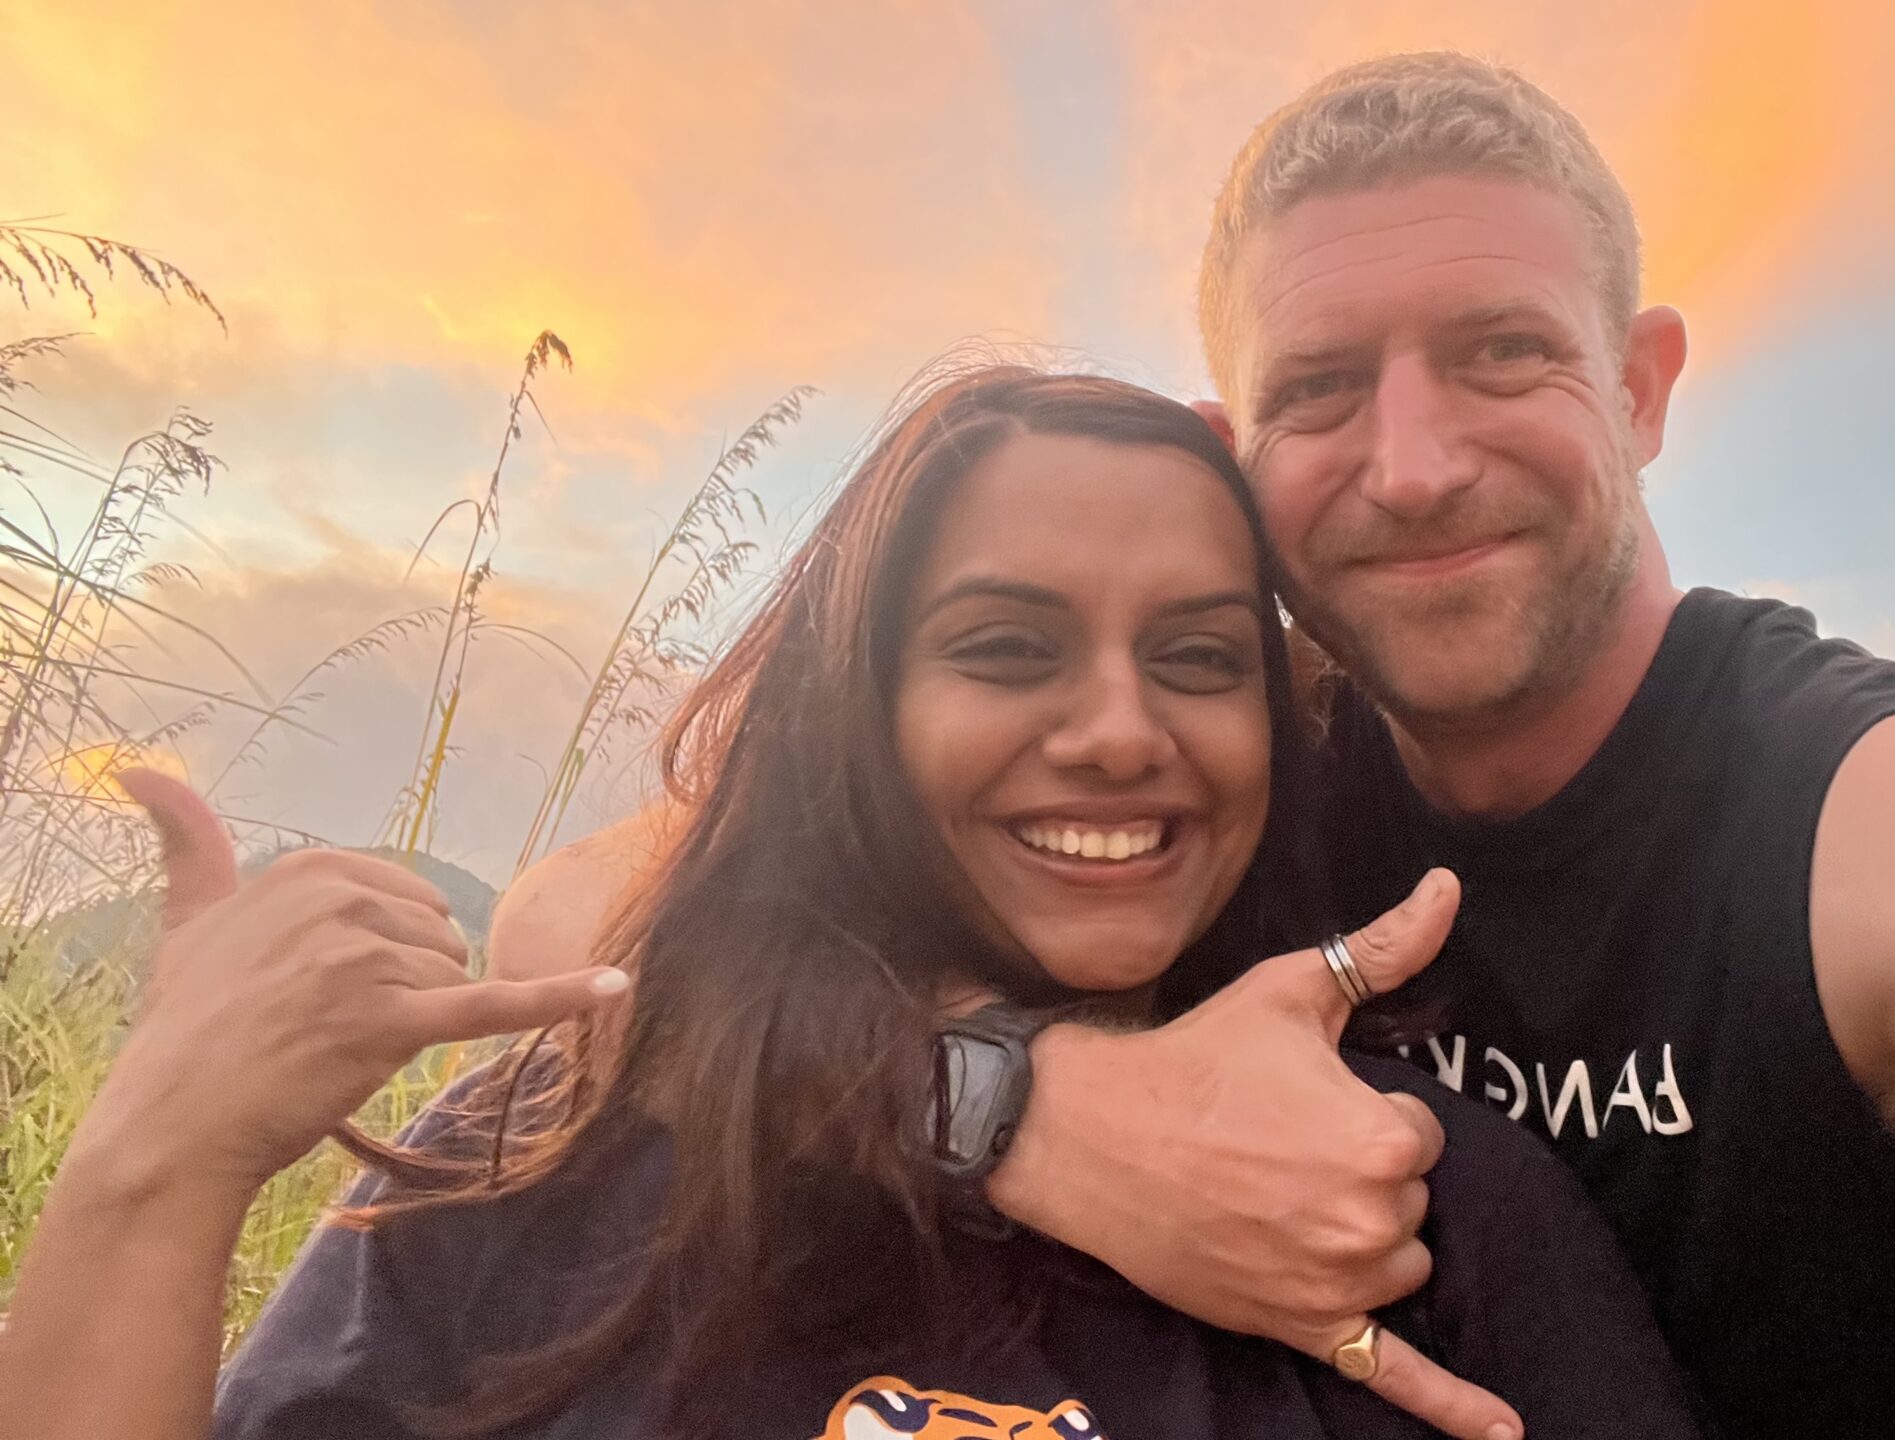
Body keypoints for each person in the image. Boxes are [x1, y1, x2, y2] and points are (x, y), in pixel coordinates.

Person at [498, 54, 1895, 1440]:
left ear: (1641, 387)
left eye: (1500, 354)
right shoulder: (1207, 784)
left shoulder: (1885, 816)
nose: (1411, 464)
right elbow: (571, 928)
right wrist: (1020, 1105)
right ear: (1232, 446)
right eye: (1322, 388)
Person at [0, 368, 1702, 1440]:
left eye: (1200, 658)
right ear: (853, 713)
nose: (1122, 733)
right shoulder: (553, 1142)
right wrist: (154, 1168)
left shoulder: (1406, 1195)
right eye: (1005, 648)